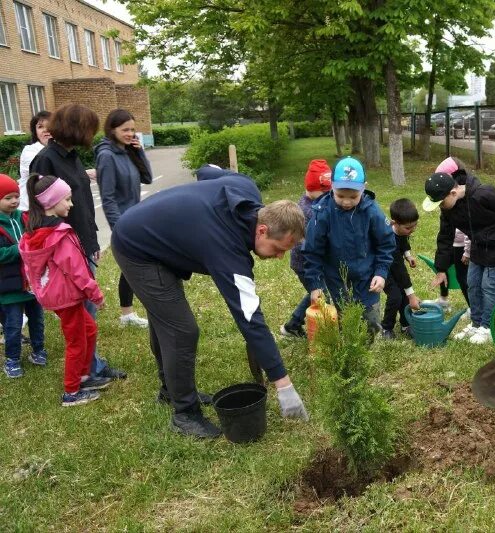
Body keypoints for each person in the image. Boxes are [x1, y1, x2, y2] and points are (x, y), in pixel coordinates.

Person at [111, 171, 310, 438]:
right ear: (262, 229)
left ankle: (171, 390)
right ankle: (184, 414)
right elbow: (250, 319)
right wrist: (283, 384)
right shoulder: (226, 249)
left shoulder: (246, 188)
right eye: (278, 248)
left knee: (165, 319)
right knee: (181, 330)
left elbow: (207, 170)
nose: (280, 257)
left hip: (152, 233)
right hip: (137, 248)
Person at [30, 103, 126, 381]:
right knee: (82, 310)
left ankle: (91, 364)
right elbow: (40, 211)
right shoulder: (46, 160)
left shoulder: (71, 156)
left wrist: (92, 242)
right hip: (65, 249)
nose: (92, 134)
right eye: (89, 128)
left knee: (87, 310)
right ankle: (88, 370)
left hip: (83, 242)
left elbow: (81, 203)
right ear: (75, 128)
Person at [20, 175, 111, 406]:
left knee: (89, 329)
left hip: (56, 295)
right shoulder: (59, 234)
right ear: (52, 202)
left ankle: (84, 377)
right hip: (67, 297)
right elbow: (77, 270)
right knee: (76, 342)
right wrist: (96, 295)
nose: (71, 204)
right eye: (67, 199)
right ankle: (71, 392)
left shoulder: (34, 231)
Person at [423, 156, 495, 344]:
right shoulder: (448, 210)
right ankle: (476, 323)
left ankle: (487, 328)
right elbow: (445, 237)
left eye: (441, 202)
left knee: (488, 286)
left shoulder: (483, 194)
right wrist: (441, 268)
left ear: (453, 193)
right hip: (478, 246)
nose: (441, 207)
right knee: (472, 283)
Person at [303, 156, 395, 334]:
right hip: (337, 280)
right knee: (344, 322)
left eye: (353, 197)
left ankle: (365, 346)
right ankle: (347, 347)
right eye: (340, 196)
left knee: (371, 323)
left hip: (367, 279)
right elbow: (312, 251)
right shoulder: (323, 213)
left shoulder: (371, 211)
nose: (346, 202)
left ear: (364, 188)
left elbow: (386, 243)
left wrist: (381, 272)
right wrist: (315, 284)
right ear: (332, 186)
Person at [95, 109, 154, 329]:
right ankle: (126, 314)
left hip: (136, 218)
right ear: (112, 130)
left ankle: (127, 314)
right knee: (132, 266)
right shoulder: (106, 156)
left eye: (132, 130)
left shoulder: (128, 151)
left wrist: (140, 152)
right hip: (123, 222)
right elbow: (108, 197)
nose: (130, 134)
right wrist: (118, 227)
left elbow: (147, 178)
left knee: (132, 266)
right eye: (125, 130)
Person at [0, 175, 46, 379]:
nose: (14, 201)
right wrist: (19, 248)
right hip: (9, 286)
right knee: (13, 324)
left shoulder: (25, 218)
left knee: (37, 319)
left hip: (32, 283)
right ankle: (12, 360)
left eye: (16, 196)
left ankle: (38, 350)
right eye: (8, 197)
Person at [280, 159, 332, 338]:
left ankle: (292, 325)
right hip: (305, 264)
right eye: (324, 192)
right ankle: (295, 325)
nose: (328, 195)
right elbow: (311, 245)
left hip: (313, 263)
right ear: (311, 188)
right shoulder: (309, 211)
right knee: (321, 293)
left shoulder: (313, 202)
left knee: (317, 292)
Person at [381, 198, 422, 339]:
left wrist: (408, 255)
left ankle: (406, 324)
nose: (412, 230)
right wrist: (412, 295)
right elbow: (400, 272)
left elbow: (403, 241)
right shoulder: (389, 240)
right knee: (395, 297)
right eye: (408, 228)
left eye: (415, 226)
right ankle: (386, 327)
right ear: (394, 223)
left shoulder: (402, 231)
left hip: (395, 265)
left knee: (404, 296)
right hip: (383, 271)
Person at [19, 111, 52, 211]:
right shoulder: (29, 151)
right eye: (40, 127)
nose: (45, 130)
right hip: (30, 209)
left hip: (50, 207)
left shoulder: (59, 150)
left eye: (49, 126)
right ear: (35, 132)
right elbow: (46, 173)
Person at [436, 228, 471, 313]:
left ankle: (473, 308)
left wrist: (467, 250)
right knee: (442, 266)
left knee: (462, 276)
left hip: (462, 244)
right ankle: (443, 300)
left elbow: (470, 228)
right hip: (450, 240)